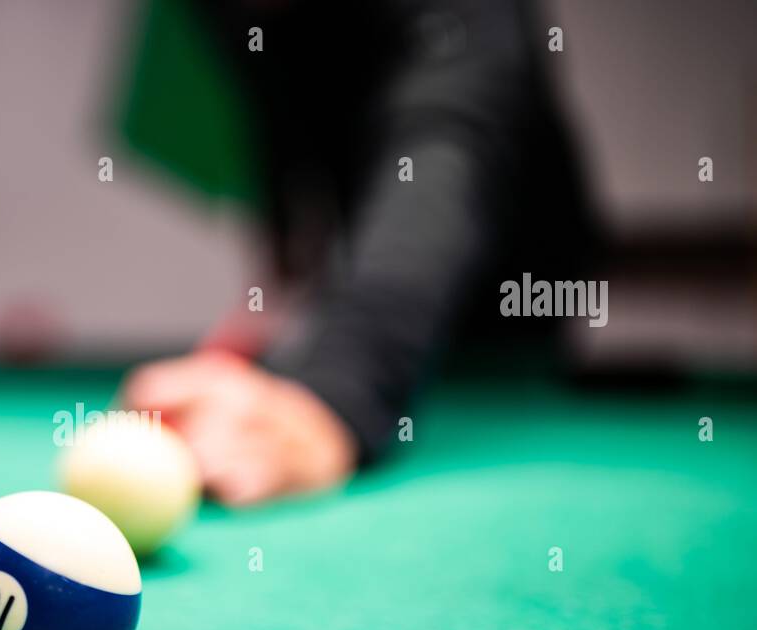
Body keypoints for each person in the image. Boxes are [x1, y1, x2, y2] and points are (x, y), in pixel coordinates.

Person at [120, 0, 597, 505]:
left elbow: (445, 150)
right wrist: (276, 289)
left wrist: (336, 399)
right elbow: (277, 116)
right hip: (374, 258)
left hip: (514, 296)